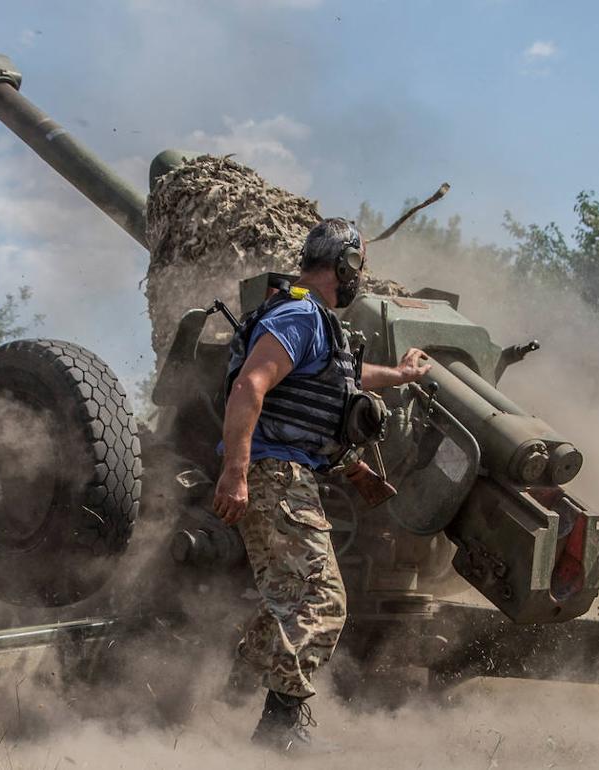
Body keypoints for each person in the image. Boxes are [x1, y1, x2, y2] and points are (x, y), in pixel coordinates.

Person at [212, 218, 430, 751]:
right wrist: (235, 473)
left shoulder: (316, 324)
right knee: (321, 601)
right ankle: (279, 729)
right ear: (346, 266)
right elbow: (250, 385)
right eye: (359, 268)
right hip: (274, 477)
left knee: (283, 601)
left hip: (285, 476)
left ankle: (225, 704)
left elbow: (343, 381)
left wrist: (399, 376)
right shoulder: (299, 313)